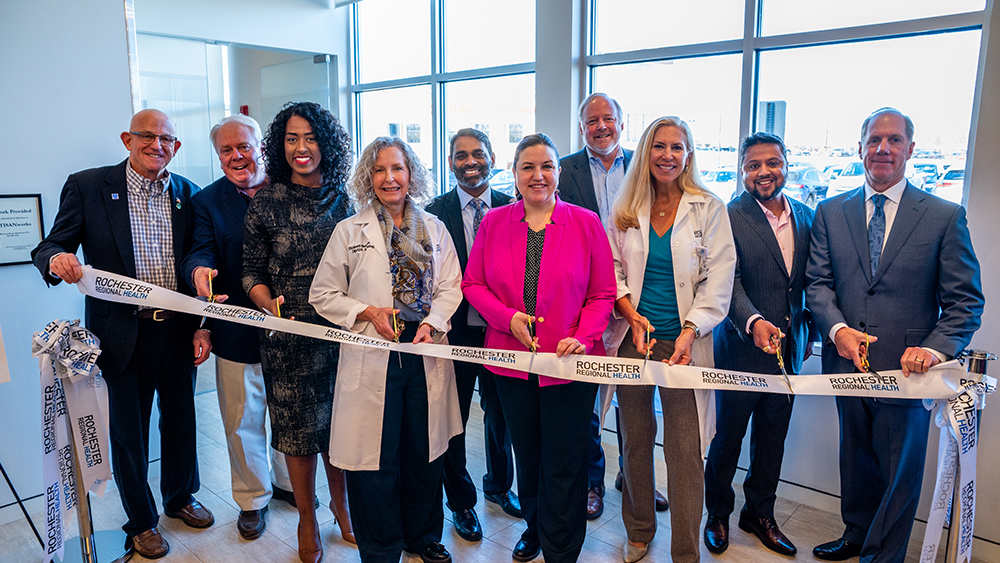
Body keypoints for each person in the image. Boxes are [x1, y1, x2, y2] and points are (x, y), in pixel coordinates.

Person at [31, 109, 214, 559]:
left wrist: (203, 324)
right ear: (126, 139)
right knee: (128, 432)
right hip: (120, 334)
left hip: (175, 331)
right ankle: (141, 521)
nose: (157, 145)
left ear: (176, 147)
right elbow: (51, 245)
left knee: (181, 421)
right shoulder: (89, 186)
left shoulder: (187, 193)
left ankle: (179, 498)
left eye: (167, 139)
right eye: (147, 136)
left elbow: (197, 260)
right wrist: (56, 261)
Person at [806, 107, 984, 563]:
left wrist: (932, 348)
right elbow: (819, 284)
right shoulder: (830, 211)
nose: (882, 149)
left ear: (910, 148)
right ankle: (856, 536)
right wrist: (838, 330)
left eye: (894, 140)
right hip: (845, 363)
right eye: (874, 140)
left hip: (910, 373)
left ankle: (882, 557)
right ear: (860, 146)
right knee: (856, 457)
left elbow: (966, 303)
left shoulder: (944, 216)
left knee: (900, 471)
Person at [463, 133, 617, 563]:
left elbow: (603, 294)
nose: (538, 175)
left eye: (546, 166)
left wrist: (582, 337)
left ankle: (562, 546)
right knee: (527, 455)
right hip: (511, 363)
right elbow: (472, 284)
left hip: (569, 363)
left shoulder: (586, 223)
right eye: (528, 167)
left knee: (565, 461)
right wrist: (508, 318)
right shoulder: (494, 223)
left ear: (559, 172)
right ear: (513, 174)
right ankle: (535, 527)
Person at [310, 136, 463, 563]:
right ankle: (380, 546)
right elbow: (323, 294)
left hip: (424, 350)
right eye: (379, 170)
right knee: (375, 459)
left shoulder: (434, 228)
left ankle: (422, 536)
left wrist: (432, 322)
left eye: (397, 168)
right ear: (368, 178)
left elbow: (451, 287)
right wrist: (366, 311)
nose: (389, 178)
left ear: (410, 173)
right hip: (374, 351)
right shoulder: (349, 230)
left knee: (423, 451)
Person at [606, 116, 736, 563]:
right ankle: (639, 530)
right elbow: (613, 272)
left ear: (689, 154)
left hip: (685, 345)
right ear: (646, 152)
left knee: (685, 449)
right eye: (659, 146)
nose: (667, 155)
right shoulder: (626, 209)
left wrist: (689, 329)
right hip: (633, 341)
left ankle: (685, 549)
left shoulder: (708, 207)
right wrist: (629, 313)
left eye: (677, 148)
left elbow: (719, 279)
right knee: (635, 439)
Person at [242, 101, 354, 563]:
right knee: (299, 432)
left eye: (309, 137)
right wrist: (267, 303)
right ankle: (307, 519)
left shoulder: (348, 198)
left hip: (344, 334)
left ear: (325, 143)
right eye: (291, 138)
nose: (301, 148)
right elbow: (250, 272)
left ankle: (343, 508)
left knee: (342, 428)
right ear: (279, 146)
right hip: (288, 338)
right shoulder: (267, 201)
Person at [180, 114, 299, 541]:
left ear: (261, 148)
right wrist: (199, 274)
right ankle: (253, 500)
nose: (236, 157)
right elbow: (200, 251)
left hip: (294, 333)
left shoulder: (292, 190)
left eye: (243, 147)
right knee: (242, 420)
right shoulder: (207, 201)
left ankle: (290, 486)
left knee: (292, 414)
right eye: (225, 151)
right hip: (236, 334)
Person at [703, 132, 815, 556]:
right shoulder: (728, 216)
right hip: (741, 347)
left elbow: (813, 284)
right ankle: (717, 513)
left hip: (788, 355)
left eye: (772, 162)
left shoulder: (807, 216)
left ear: (786, 163)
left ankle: (759, 513)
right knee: (728, 437)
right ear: (743, 170)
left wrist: (811, 335)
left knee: (773, 438)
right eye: (754, 165)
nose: (763, 172)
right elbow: (725, 282)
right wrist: (753, 321)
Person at [557, 93, 667, 518]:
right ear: (581, 125)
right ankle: (592, 483)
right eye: (591, 120)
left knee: (633, 397)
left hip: (639, 300)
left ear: (622, 123)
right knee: (589, 398)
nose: (601, 126)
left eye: (608, 119)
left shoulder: (645, 167)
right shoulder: (563, 170)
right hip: (586, 299)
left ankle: (633, 475)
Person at [425, 128, 520, 543]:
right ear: (450, 162)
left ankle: (499, 486)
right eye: (461, 155)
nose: (470, 161)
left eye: (478, 154)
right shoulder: (432, 212)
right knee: (455, 418)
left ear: (493, 157)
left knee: (502, 416)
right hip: (456, 332)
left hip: (504, 333)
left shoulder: (513, 207)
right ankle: (461, 502)